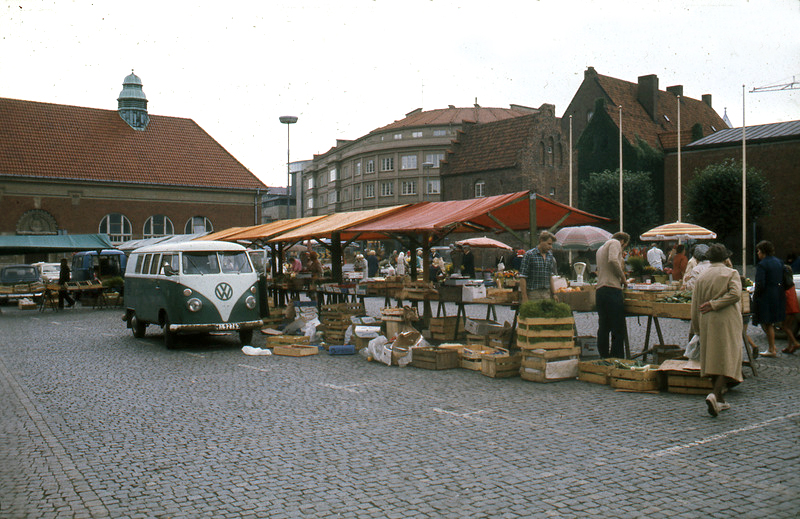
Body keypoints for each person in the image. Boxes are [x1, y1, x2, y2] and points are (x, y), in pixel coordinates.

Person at [691, 244, 743, 417]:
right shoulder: (731, 273)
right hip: (726, 320)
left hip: (706, 321)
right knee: (727, 358)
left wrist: (696, 326)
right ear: (725, 258)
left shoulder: (702, 276)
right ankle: (715, 395)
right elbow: (735, 294)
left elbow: (695, 303)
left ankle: (719, 399)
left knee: (712, 358)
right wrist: (715, 304)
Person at [595, 232, 630, 358]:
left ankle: (604, 356)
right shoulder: (615, 243)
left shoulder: (600, 249)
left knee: (604, 326)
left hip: (600, 290)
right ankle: (616, 357)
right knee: (617, 327)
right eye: (624, 246)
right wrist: (623, 278)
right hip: (612, 289)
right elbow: (613, 260)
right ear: (622, 241)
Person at [752, 240, 786, 357]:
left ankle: (772, 349)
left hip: (766, 296)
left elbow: (760, 283)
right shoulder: (779, 262)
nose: (757, 254)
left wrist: (755, 295)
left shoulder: (762, 264)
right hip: (778, 294)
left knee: (767, 323)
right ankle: (773, 346)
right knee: (771, 322)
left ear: (763, 252)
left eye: (758, 251)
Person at [519, 231, 558, 301]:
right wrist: (524, 297)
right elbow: (522, 277)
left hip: (546, 293)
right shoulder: (529, 255)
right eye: (549, 244)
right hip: (533, 293)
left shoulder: (550, 256)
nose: (550, 247)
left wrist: (554, 294)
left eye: (551, 244)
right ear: (541, 240)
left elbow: (550, 276)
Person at [781, 261, 799, 354]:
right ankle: (789, 346)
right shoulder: (791, 284)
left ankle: (795, 343)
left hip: (789, 308)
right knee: (789, 327)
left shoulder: (785, 287)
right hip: (793, 307)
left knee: (785, 327)